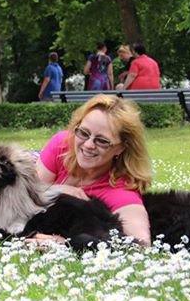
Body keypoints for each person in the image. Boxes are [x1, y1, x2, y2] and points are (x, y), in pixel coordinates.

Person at [29, 94, 153, 246]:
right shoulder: (62, 144)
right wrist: (57, 189)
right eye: (83, 133)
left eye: (102, 141)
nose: (88, 145)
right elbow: (27, 195)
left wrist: (66, 244)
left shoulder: (120, 192)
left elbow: (141, 245)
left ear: (120, 148)